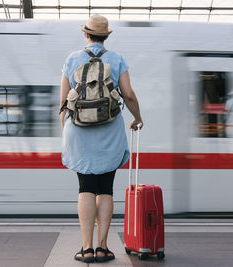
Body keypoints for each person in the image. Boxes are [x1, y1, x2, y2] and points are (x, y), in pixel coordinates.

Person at [59, 14, 143, 263]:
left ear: (86, 34)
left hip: (79, 131)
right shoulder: (117, 59)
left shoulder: (72, 59)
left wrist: (66, 128)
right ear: (106, 36)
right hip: (110, 130)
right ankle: (103, 247)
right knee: (105, 188)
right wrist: (137, 117)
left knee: (85, 187)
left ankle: (86, 248)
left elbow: (63, 102)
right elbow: (128, 94)